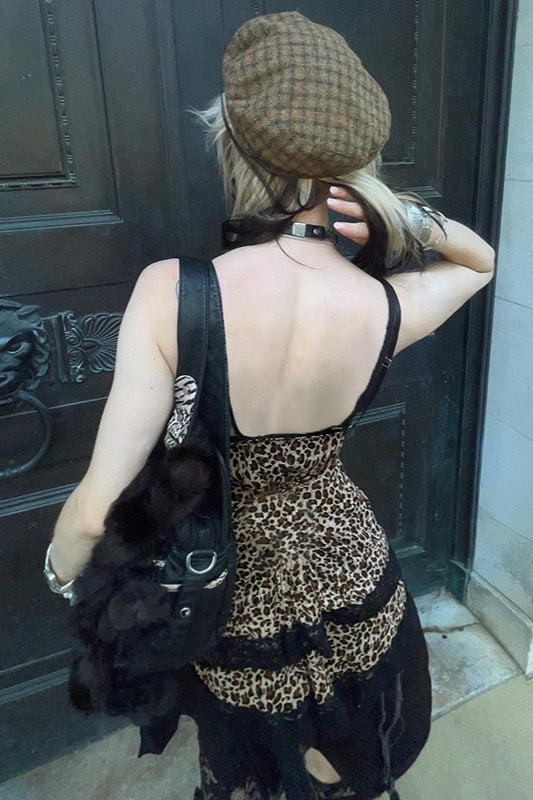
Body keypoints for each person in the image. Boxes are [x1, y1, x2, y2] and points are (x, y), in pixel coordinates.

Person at [44, 12, 495, 800]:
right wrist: (399, 213)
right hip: (350, 563)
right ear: (350, 166)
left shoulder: (172, 292)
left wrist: (62, 577)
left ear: (234, 147)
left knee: (254, 756)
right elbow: (478, 262)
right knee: (346, 737)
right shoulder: (385, 304)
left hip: (228, 583)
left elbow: (92, 513)